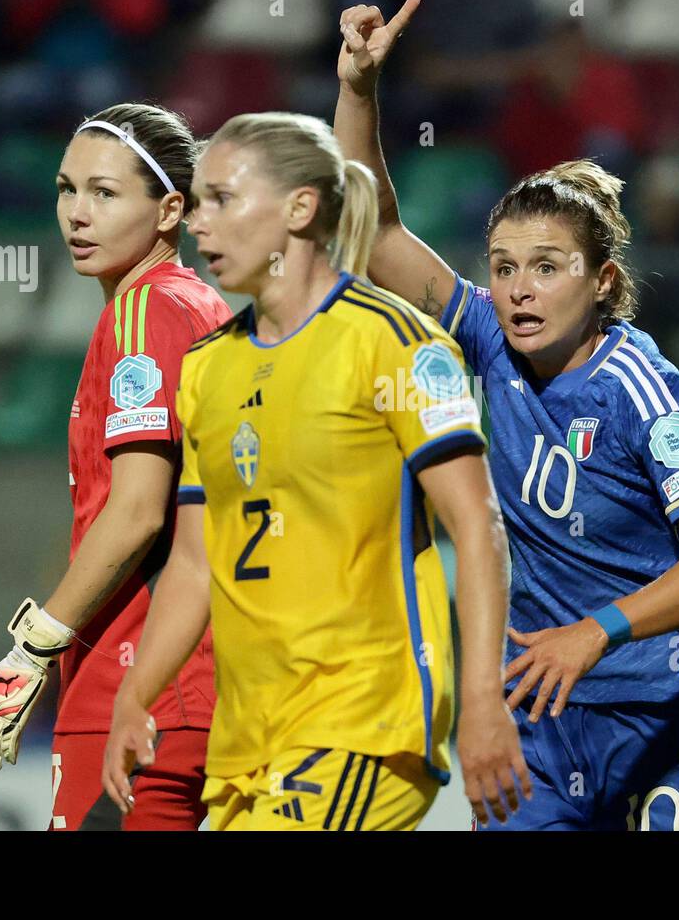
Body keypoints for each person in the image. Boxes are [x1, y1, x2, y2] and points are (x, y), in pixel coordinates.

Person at [334, 0, 679, 830]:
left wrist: (596, 633)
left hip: (660, 713)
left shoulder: (644, 389)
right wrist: (358, 89)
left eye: (545, 266)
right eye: (502, 267)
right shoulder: (487, 340)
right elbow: (375, 225)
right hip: (535, 712)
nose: (519, 288)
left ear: (603, 281)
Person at [102, 111, 529, 830]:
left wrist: (482, 701)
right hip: (250, 743)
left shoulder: (393, 342)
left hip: (365, 722)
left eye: (222, 199)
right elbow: (195, 563)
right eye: (196, 201)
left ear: (300, 208)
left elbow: (476, 523)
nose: (197, 224)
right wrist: (134, 695)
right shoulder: (207, 369)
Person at [0, 102, 231, 830]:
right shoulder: (202, 305)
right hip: (196, 686)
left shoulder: (144, 314)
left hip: (136, 683)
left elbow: (139, 509)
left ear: (170, 208)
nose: (77, 214)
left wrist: (30, 649)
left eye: (105, 193)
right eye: (65, 189)